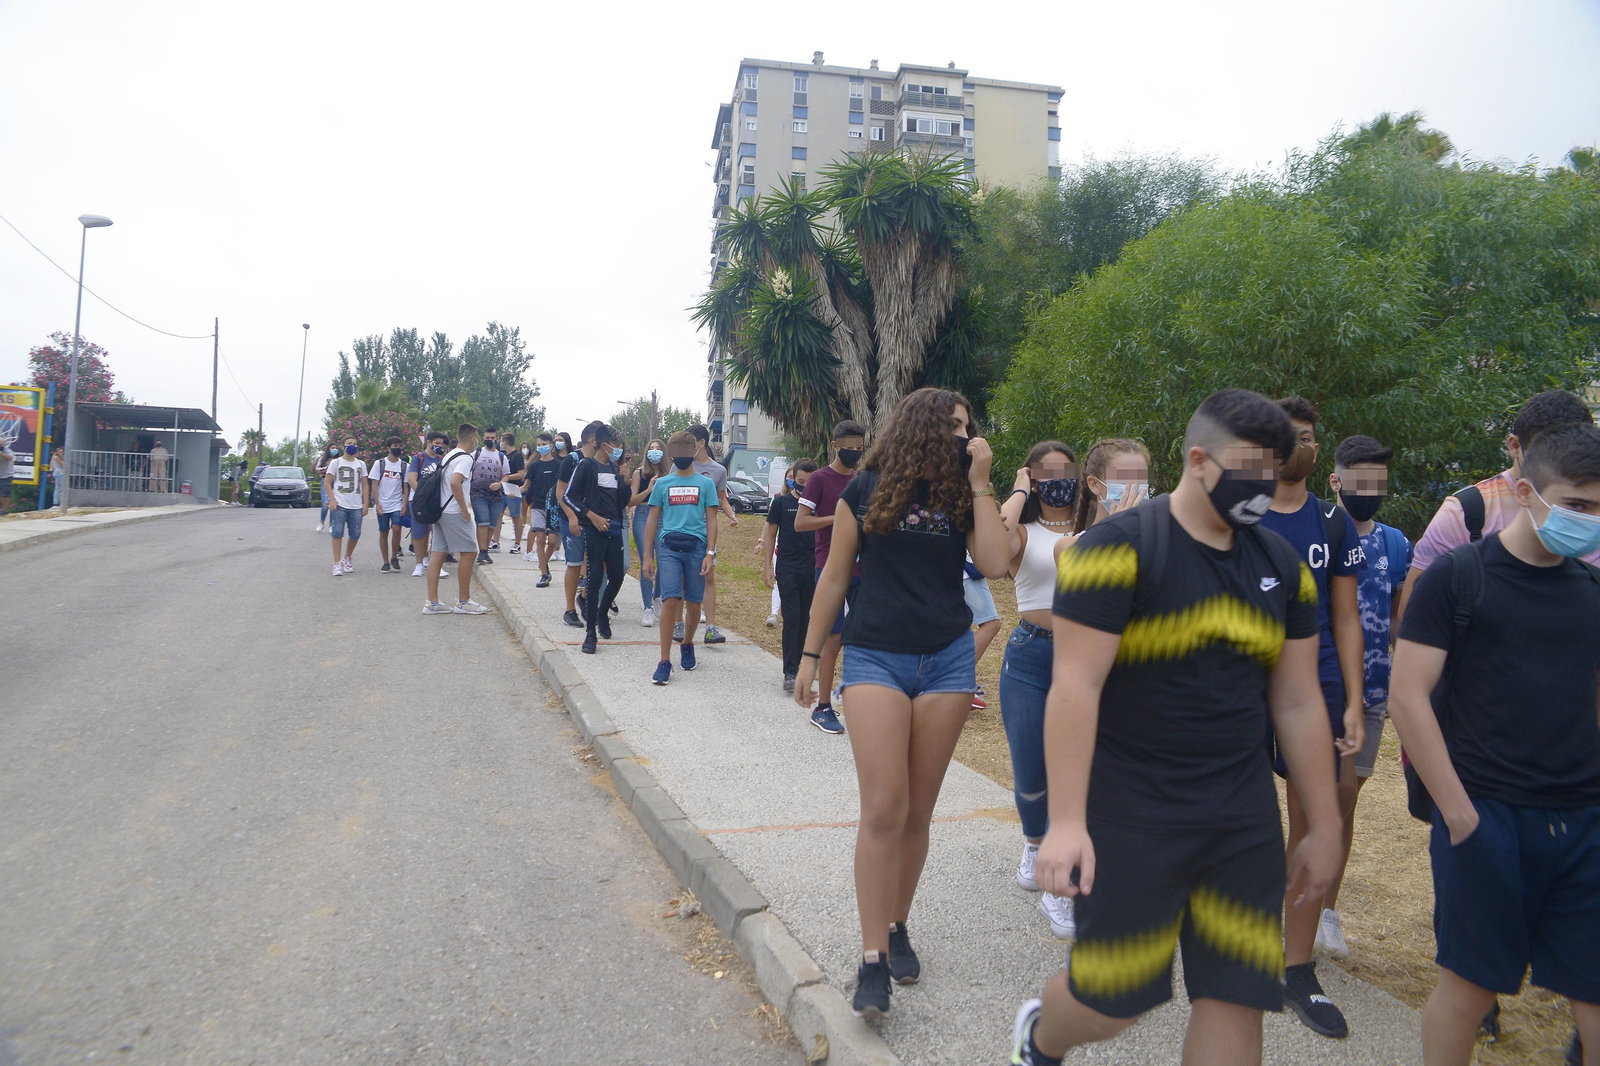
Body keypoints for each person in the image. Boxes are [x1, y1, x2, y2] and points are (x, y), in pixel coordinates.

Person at [1008, 388, 1342, 1066]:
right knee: (1113, 1002)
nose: (1264, 485)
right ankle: (1043, 1035)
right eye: (1250, 468)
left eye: (1274, 470)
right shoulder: (1115, 550)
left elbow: (1301, 702)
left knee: (1238, 1000)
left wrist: (1327, 825)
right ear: (1198, 460)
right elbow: (1075, 687)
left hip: (1241, 817)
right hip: (1132, 809)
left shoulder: (1282, 567)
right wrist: (1065, 823)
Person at [792, 388, 1009, 1018]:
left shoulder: (961, 495)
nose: (966, 439)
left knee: (918, 810)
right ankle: (871, 959)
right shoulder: (867, 489)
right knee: (884, 806)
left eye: (970, 431)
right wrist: (810, 659)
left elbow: (994, 563)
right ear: (923, 428)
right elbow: (835, 577)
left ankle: (897, 924)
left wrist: (982, 481)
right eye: (958, 429)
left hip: (946, 660)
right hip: (874, 657)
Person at [1389, 422, 1600, 1066]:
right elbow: (1408, 697)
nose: (1590, 520)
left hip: (1583, 821)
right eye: (1578, 505)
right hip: (1487, 817)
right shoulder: (1458, 579)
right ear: (1528, 489)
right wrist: (1460, 815)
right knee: (1470, 988)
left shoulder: (1592, 593)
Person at [999, 438, 1149, 945]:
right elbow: (1074, 567)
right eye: (1126, 480)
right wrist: (1019, 488)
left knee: (1094, 775)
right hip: (1034, 651)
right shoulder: (1073, 540)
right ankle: (1036, 843)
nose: (1137, 491)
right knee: (1032, 768)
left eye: (1143, 480)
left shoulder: (1155, 537)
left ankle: (1070, 881)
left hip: (1105, 666)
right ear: (1097, 484)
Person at [1254, 396, 1366, 1038]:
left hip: (1316, 682)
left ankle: (1297, 968)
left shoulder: (1332, 521)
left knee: (1317, 817)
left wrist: (1352, 697)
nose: (1306, 444)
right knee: (1233, 815)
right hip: (1242, 680)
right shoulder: (1239, 513)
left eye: (1312, 437)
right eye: (1293, 435)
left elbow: (1345, 616)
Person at [1317, 434, 1413, 956]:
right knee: (1310, 803)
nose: (1370, 491)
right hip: (1314, 690)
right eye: (1360, 482)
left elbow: (1399, 619)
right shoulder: (1315, 532)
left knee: (1344, 803)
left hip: (1372, 694)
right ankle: (1293, 902)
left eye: (1378, 482)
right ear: (1336, 481)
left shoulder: (1397, 544)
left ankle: (1327, 908)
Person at [1400, 390, 1599, 623]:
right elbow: (1414, 619)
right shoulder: (1466, 513)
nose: (1559, 467)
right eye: (1545, 452)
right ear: (1515, 446)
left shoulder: (1593, 517)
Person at [794, 419, 868, 733]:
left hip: (864, 567)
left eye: (858, 448)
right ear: (834, 445)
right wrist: (837, 518)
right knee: (833, 637)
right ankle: (823, 706)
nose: (853, 453)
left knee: (864, 637)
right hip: (829, 565)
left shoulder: (863, 480)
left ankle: (861, 702)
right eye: (847, 447)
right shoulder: (820, 479)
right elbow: (800, 523)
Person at [641, 431, 720, 684]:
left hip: (697, 548)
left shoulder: (706, 483)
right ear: (671, 454)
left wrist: (710, 552)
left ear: (695, 451)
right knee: (671, 599)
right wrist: (646, 556)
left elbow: (712, 519)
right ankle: (664, 661)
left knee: (694, 603)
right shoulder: (663, 484)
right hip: (669, 548)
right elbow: (652, 519)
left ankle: (687, 643)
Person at [563, 424, 630, 655]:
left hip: (614, 529)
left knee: (618, 576)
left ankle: (602, 613)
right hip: (593, 530)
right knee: (594, 579)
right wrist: (590, 515)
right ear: (604, 445)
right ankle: (590, 633)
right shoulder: (586, 465)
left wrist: (625, 481)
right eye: (617, 447)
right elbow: (568, 497)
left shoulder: (614, 468)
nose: (619, 451)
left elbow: (622, 502)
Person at [762, 459, 818, 692]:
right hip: (787, 567)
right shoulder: (781, 503)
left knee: (804, 618)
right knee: (792, 617)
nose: (804, 485)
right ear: (792, 479)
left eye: (809, 481)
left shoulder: (821, 505)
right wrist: (767, 567)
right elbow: (771, 534)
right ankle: (790, 671)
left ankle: (799, 665)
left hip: (812, 568)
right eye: (800, 481)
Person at [423, 423, 488, 615]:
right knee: (469, 553)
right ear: (473, 439)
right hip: (453, 512)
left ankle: (432, 602)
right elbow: (455, 482)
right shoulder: (466, 458)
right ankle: (463, 601)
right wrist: (464, 509)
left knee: (437, 554)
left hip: (440, 510)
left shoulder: (450, 454)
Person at [686, 424, 739, 644]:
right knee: (682, 578)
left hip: (706, 531)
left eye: (690, 442)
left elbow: (721, 499)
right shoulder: (681, 465)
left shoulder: (719, 470)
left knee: (708, 576)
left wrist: (731, 515)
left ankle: (710, 628)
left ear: (701, 443)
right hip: (682, 529)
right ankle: (680, 623)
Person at [556, 424, 601, 628]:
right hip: (571, 519)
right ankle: (569, 610)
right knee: (574, 563)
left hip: (592, 520)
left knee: (598, 564)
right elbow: (560, 492)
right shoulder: (572, 460)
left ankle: (584, 597)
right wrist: (572, 517)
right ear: (593, 441)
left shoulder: (599, 462)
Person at [630, 439, 671, 626]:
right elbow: (631, 501)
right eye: (651, 449)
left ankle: (658, 596)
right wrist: (649, 489)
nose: (654, 452)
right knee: (646, 559)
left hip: (663, 515)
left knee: (664, 559)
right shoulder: (639, 473)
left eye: (658, 449)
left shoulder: (669, 474)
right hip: (643, 514)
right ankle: (647, 607)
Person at [323, 437, 368, 577]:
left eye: (355, 444)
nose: (352, 446)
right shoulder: (336, 462)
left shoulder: (361, 464)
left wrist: (365, 503)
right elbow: (327, 482)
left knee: (356, 534)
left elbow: (365, 484)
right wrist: (332, 500)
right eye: (349, 444)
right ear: (343, 446)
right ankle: (336, 563)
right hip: (340, 503)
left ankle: (347, 557)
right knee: (337, 533)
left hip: (356, 504)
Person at [407, 431, 448, 579]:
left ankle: (434, 562)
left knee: (436, 532)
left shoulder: (441, 459)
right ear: (429, 442)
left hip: (435, 502)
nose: (439, 446)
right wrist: (422, 496)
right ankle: (419, 563)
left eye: (441, 444)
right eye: (436, 443)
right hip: (418, 500)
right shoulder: (418, 458)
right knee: (418, 533)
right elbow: (412, 480)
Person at [524, 431, 562, 586]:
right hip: (537, 505)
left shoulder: (559, 466)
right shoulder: (534, 466)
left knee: (552, 541)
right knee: (540, 538)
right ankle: (544, 574)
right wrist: (507, 489)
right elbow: (525, 486)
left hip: (553, 507)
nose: (541, 447)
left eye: (544, 444)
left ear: (551, 446)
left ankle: (543, 563)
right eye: (538, 444)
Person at [367, 436, 410, 573]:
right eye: (394, 445)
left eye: (399, 445)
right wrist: (377, 502)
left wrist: (405, 503)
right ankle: (385, 561)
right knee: (384, 531)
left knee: (397, 527)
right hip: (383, 503)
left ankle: (394, 557)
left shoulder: (404, 466)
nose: (397, 448)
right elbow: (374, 483)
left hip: (397, 503)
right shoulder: (379, 464)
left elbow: (405, 486)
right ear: (388, 448)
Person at [469, 427, 509, 567]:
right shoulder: (476, 453)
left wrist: (500, 484)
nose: (490, 440)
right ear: (483, 438)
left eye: (492, 438)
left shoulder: (501, 457)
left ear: (497, 439)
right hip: (478, 493)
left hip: (495, 495)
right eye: (487, 437)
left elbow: (506, 475)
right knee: (482, 522)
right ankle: (482, 551)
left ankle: (485, 551)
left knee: (492, 524)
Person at [500, 431, 525, 554]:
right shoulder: (504, 456)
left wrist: (508, 477)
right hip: (502, 489)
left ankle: (517, 543)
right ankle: (495, 541)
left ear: (505, 442)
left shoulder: (517, 456)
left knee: (515, 516)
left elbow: (521, 474)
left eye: (501, 441)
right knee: (498, 515)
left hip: (513, 489)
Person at [314, 444, 337, 531]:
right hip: (325, 481)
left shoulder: (339, 460)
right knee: (326, 502)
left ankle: (331, 525)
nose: (334, 450)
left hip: (336, 482)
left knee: (333, 503)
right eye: (332, 448)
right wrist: (327, 468)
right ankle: (322, 522)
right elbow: (317, 469)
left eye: (336, 448)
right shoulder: (323, 459)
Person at [0, 436, 15, 515]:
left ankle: (4, 510)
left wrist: (1, 453)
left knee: (5, 494)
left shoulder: (7, 451)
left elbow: (10, 458)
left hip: (6, 476)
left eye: (1, 444)